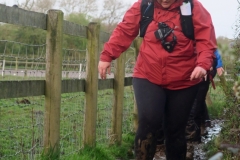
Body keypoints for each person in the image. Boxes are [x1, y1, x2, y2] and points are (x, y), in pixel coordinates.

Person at [98, 0, 217, 159]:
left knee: (175, 131)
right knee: (148, 122)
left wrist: (202, 65)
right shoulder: (144, 6)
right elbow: (124, 31)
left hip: (185, 80)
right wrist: (107, 55)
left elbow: (205, 38)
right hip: (148, 75)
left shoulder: (192, 7)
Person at [186, 49, 224, 143]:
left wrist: (217, 65)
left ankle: (194, 137)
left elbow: (212, 48)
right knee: (197, 100)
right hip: (189, 67)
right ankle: (203, 124)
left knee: (196, 103)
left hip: (205, 69)